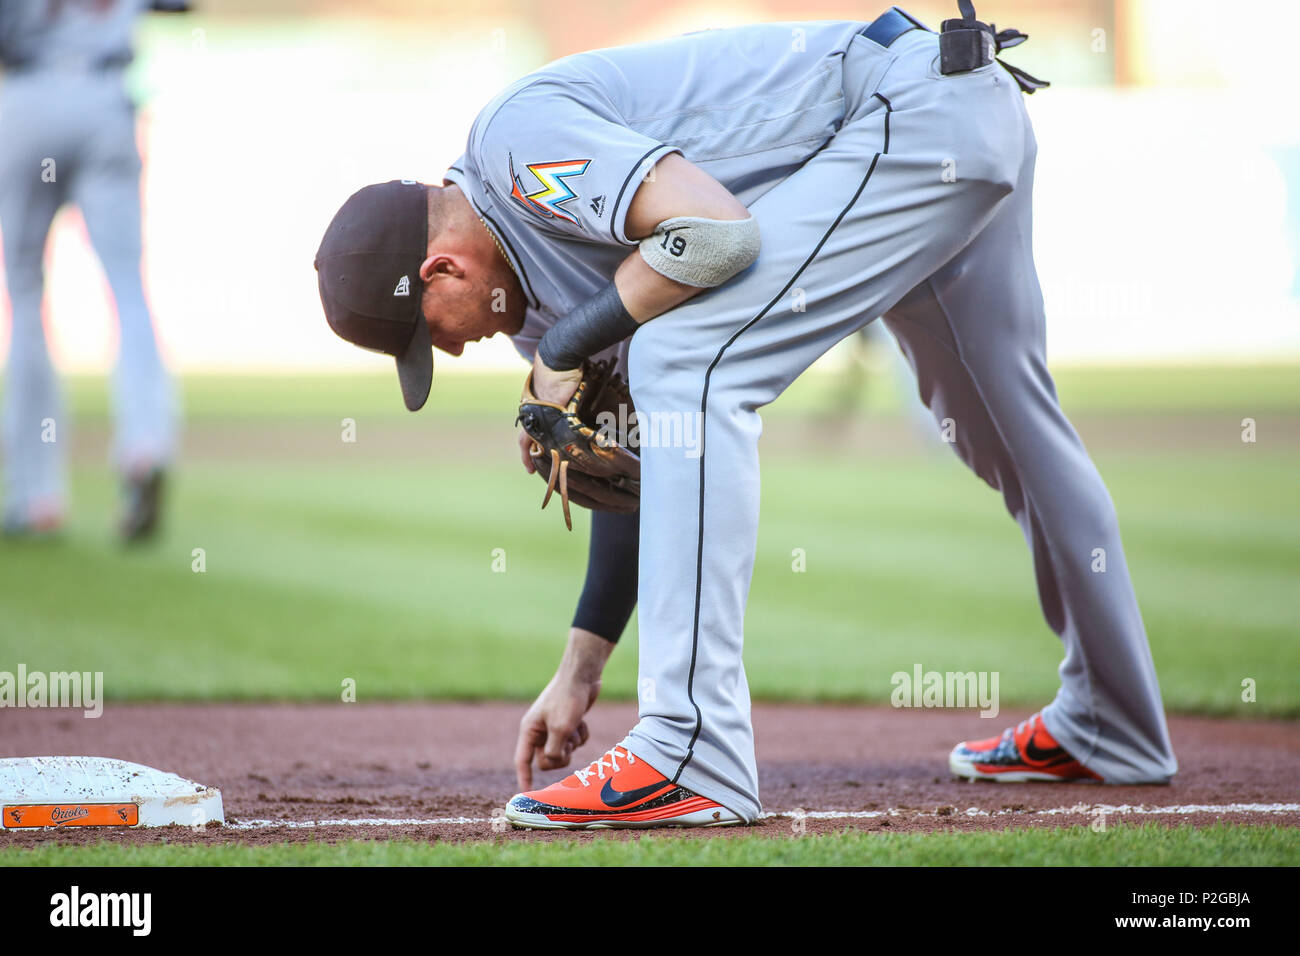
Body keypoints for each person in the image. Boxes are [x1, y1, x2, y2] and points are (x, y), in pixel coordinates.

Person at [315, 3, 1178, 829]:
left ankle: (693, 753)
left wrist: (568, 348)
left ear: (439, 272)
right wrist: (580, 671)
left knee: (680, 360)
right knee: (1009, 433)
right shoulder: (538, 311)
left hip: (913, 111)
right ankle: (1113, 721)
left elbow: (717, 230)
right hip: (942, 113)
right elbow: (649, 467)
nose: (452, 353)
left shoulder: (514, 147)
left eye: (430, 338)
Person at [0, 0, 188, 541]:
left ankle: (35, 495)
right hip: (106, 94)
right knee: (128, 288)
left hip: (30, 94)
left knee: (26, 292)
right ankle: (144, 445)